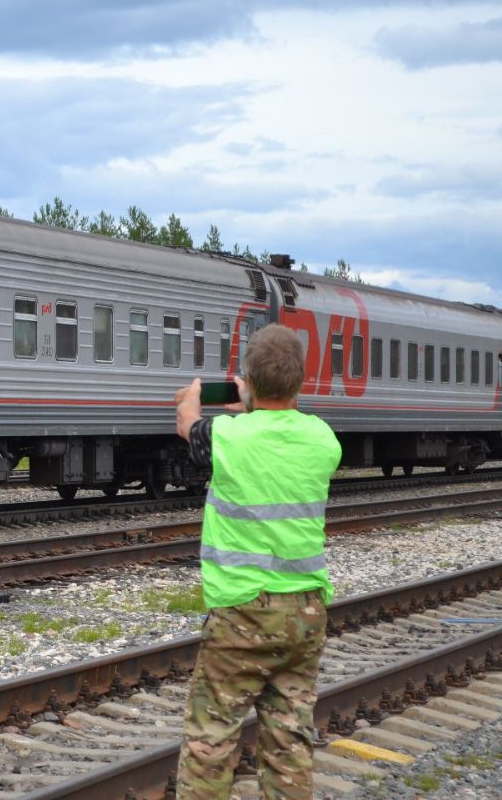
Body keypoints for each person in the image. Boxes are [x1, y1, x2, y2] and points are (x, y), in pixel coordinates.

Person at [173, 323, 342, 799]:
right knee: (289, 739)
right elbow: (278, 430)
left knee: (212, 740)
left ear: (248, 376)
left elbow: (188, 425)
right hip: (306, 613)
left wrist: (191, 397)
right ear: (301, 381)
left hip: (243, 611)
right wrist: (252, 405)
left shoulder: (226, 437)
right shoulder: (324, 440)